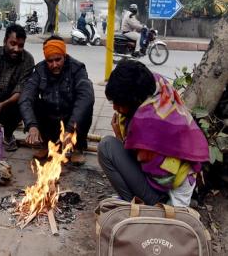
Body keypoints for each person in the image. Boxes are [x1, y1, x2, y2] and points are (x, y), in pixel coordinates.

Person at [97, 61, 209, 207]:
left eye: (119, 103)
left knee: (107, 147)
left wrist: (120, 134)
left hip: (165, 189)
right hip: (182, 179)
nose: (115, 108)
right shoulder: (158, 84)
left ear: (135, 100)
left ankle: (135, 205)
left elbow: (133, 157)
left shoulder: (145, 123)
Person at [19, 36, 95, 165]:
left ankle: (78, 147)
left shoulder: (77, 68)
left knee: (86, 104)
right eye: (50, 61)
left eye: (58, 60)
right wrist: (31, 125)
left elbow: (86, 97)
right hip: (51, 119)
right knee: (35, 103)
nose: (54, 65)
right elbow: (25, 97)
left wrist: (70, 128)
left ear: (64, 55)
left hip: (71, 119)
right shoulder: (39, 70)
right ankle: (46, 144)